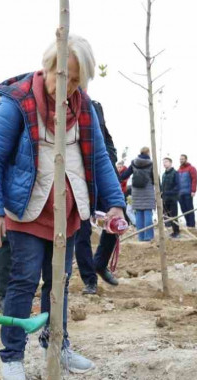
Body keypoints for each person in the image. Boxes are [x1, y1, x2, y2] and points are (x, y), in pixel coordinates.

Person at [0, 35, 126, 380]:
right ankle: (12, 356)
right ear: (47, 67)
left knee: (57, 283)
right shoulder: (16, 103)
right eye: (65, 77)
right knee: (23, 282)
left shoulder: (83, 106)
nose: (70, 86)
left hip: (68, 214)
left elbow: (100, 159)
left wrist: (115, 201)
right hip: (26, 213)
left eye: (78, 80)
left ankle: (56, 346)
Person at [74, 100, 121, 295]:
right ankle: (89, 280)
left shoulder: (95, 106)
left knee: (116, 220)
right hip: (79, 177)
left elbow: (107, 140)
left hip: (101, 174)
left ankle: (100, 263)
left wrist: (110, 160)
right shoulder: (67, 106)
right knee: (81, 230)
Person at [120, 147, 155, 242]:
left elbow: (124, 176)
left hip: (136, 191)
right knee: (147, 213)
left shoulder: (134, 163)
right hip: (147, 190)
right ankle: (149, 237)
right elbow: (155, 178)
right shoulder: (151, 164)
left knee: (138, 213)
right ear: (148, 153)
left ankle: (141, 237)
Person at [161, 157, 181, 238]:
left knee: (173, 215)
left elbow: (178, 186)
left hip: (172, 198)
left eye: (166, 162)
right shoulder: (164, 174)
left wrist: (168, 192)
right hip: (165, 198)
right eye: (163, 162)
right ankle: (170, 231)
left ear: (170, 163)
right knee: (166, 215)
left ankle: (176, 231)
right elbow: (162, 186)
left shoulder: (175, 173)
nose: (164, 163)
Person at [177, 154, 197, 228]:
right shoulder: (178, 170)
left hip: (188, 192)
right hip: (180, 193)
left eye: (182, 159)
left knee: (189, 209)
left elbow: (194, 180)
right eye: (180, 159)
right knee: (183, 209)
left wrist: (193, 190)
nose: (181, 160)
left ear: (186, 159)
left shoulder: (191, 168)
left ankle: (192, 225)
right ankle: (188, 223)